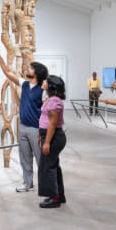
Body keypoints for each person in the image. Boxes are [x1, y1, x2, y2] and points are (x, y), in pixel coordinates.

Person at [0, 48, 48, 194]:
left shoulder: (43, 91)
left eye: (30, 68)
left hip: (36, 129)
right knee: (25, 158)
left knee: (40, 159)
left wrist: (43, 131)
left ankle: (46, 187)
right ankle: (28, 183)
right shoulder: (24, 83)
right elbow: (7, 72)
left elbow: (47, 113)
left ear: (36, 73)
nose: (27, 69)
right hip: (23, 127)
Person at [38, 75, 67, 208]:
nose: (43, 82)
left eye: (46, 81)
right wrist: (41, 135)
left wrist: (47, 142)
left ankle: (54, 198)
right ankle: (59, 195)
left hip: (53, 136)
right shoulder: (50, 99)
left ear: (51, 85)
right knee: (53, 165)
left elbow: (52, 124)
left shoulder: (54, 101)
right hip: (48, 135)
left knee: (48, 167)